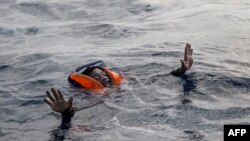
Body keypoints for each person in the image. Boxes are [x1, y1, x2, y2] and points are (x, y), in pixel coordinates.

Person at [43, 43, 193, 130]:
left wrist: (181, 70)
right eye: (96, 76)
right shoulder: (96, 100)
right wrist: (66, 112)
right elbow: (76, 111)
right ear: (90, 85)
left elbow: (156, 79)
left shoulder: (126, 86)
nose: (101, 77)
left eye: (102, 74)